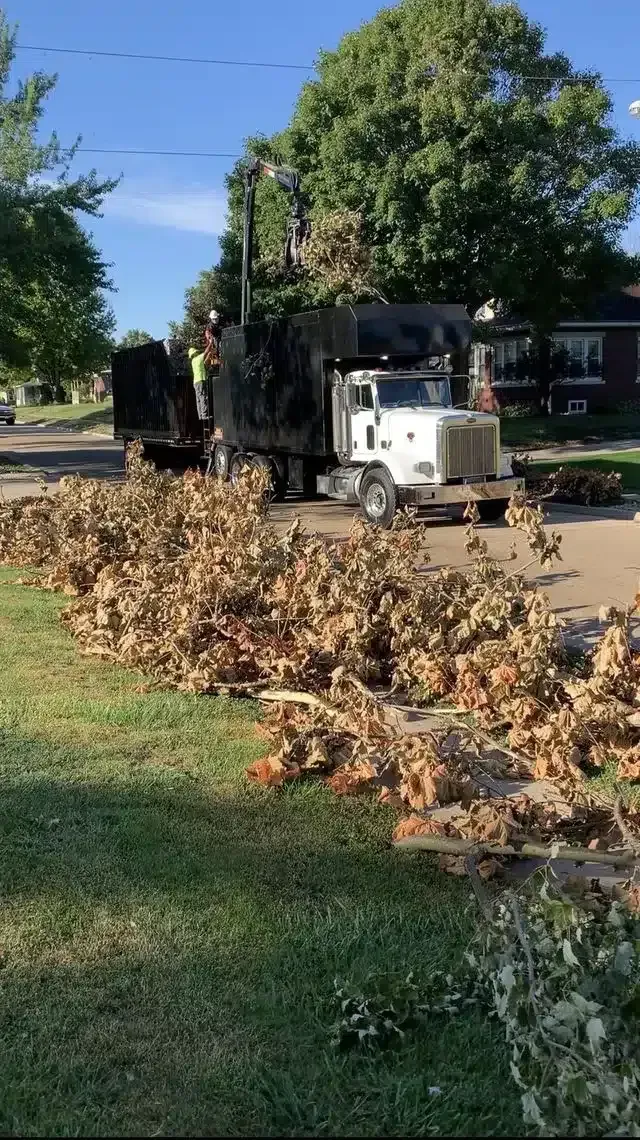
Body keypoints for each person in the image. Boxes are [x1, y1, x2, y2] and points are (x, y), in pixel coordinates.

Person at [188, 345, 209, 421]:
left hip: (195, 382)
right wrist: (211, 343)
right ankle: (204, 415)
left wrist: (209, 355)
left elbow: (204, 363)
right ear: (195, 353)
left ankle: (200, 415)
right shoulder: (198, 358)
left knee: (198, 399)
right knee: (203, 397)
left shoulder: (193, 361)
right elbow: (206, 351)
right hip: (200, 380)